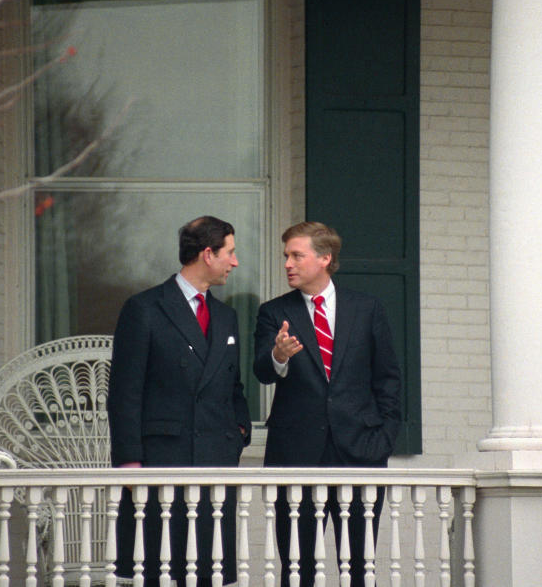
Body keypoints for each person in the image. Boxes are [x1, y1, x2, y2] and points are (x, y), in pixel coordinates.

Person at [253, 221, 402, 587]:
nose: (287, 263)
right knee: (297, 567)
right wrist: (278, 355)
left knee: (358, 568)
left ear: (324, 258)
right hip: (295, 453)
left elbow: (388, 380)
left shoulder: (366, 308)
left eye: (296, 255)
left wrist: (383, 439)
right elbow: (261, 372)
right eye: (285, 255)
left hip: (361, 452)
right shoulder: (274, 312)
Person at [108, 215, 252, 587]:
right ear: (208, 254)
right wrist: (128, 460)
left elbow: (233, 385)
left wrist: (238, 431)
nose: (235, 262)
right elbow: (125, 391)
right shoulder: (145, 308)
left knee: (211, 572)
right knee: (157, 570)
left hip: (215, 461)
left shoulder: (226, 316)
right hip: (162, 460)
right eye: (230, 253)